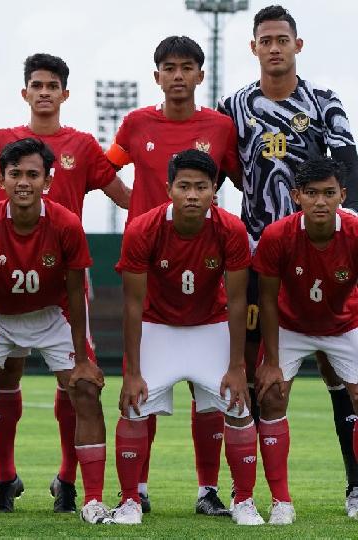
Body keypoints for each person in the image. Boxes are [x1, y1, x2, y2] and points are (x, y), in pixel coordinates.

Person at [0, 52, 130, 514]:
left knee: (75, 382)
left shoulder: (81, 145)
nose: (44, 92)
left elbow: (120, 194)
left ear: (65, 93)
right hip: (6, 280)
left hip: (64, 286)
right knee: (8, 375)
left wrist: (166, 210)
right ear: (25, 92)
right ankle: (5, 479)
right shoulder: (2, 141)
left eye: (52, 85)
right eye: (36, 85)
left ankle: (66, 478)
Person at [218, 4, 358, 511]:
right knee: (262, 375)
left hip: (323, 252)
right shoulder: (233, 106)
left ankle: (356, 487)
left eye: (283, 39)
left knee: (339, 371)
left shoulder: (324, 102)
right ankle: (253, 496)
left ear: (298, 46)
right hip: (260, 256)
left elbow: (347, 170)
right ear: (253, 48)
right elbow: (223, 170)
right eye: (266, 40)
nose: (274, 47)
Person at [0, 138, 110, 525]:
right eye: (15, 174)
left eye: (33, 174)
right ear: (1, 179)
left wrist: (82, 359)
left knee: (84, 389)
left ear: (48, 180)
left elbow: (75, 291)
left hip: (53, 317)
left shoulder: (66, 223)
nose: (24, 182)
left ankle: (94, 501)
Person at [104, 35, 241, 515]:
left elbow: (239, 176)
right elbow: (104, 170)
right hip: (147, 259)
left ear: (200, 76)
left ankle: (208, 489)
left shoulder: (221, 128)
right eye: (169, 67)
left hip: (203, 259)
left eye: (187, 67)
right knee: (146, 386)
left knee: (211, 395)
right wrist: (133, 205)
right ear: (156, 75)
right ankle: (135, 488)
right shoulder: (136, 122)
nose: (178, 75)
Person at [114, 150, 261, 526]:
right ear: (169, 190)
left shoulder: (230, 229)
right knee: (133, 407)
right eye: (184, 186)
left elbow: (238, 300)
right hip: (157, 325)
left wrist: (236, 365)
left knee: (239, 406)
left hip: (210, 325)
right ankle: (130, 500)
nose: (192, 195)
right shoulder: (142, 229)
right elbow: (131, 304)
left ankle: (243, 499)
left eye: (201, 186)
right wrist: (131, 370)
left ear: (215, 189)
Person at [254, 157, 358, 523]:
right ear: (296, 196)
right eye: (311, 194)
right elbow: (266, 298)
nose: (320, 202)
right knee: (270, 397)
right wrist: (270, 361)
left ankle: (357, 492)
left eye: (329, 194)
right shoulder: (277, 236)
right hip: (291, 325)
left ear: (341, 195)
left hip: (345, 322)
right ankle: (281, 501)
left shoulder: (356, 231)